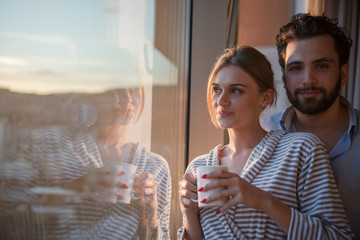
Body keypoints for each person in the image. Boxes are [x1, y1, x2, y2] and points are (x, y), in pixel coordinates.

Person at [177, 46, 354, 239]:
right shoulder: (198, 167)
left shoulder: (301, 150)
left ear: (266, 97)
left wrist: (265, 201)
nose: (221, 101)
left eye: (235, 90)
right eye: (216, 90)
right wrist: (189, 212)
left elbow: (338, 236)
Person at [0, 49, 171, 240]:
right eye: (117, 87)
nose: (128, 98)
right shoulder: (49, 143)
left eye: (134, 88)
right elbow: (9, 221)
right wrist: (75, 190)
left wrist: (151, 214)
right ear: (91, 93)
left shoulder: (156, 168)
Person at [261, 13, 360, 239]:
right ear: (284, 79)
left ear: (343, 74)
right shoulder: (261, 133)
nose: (308, 79)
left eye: (322, 66)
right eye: (296, 68)